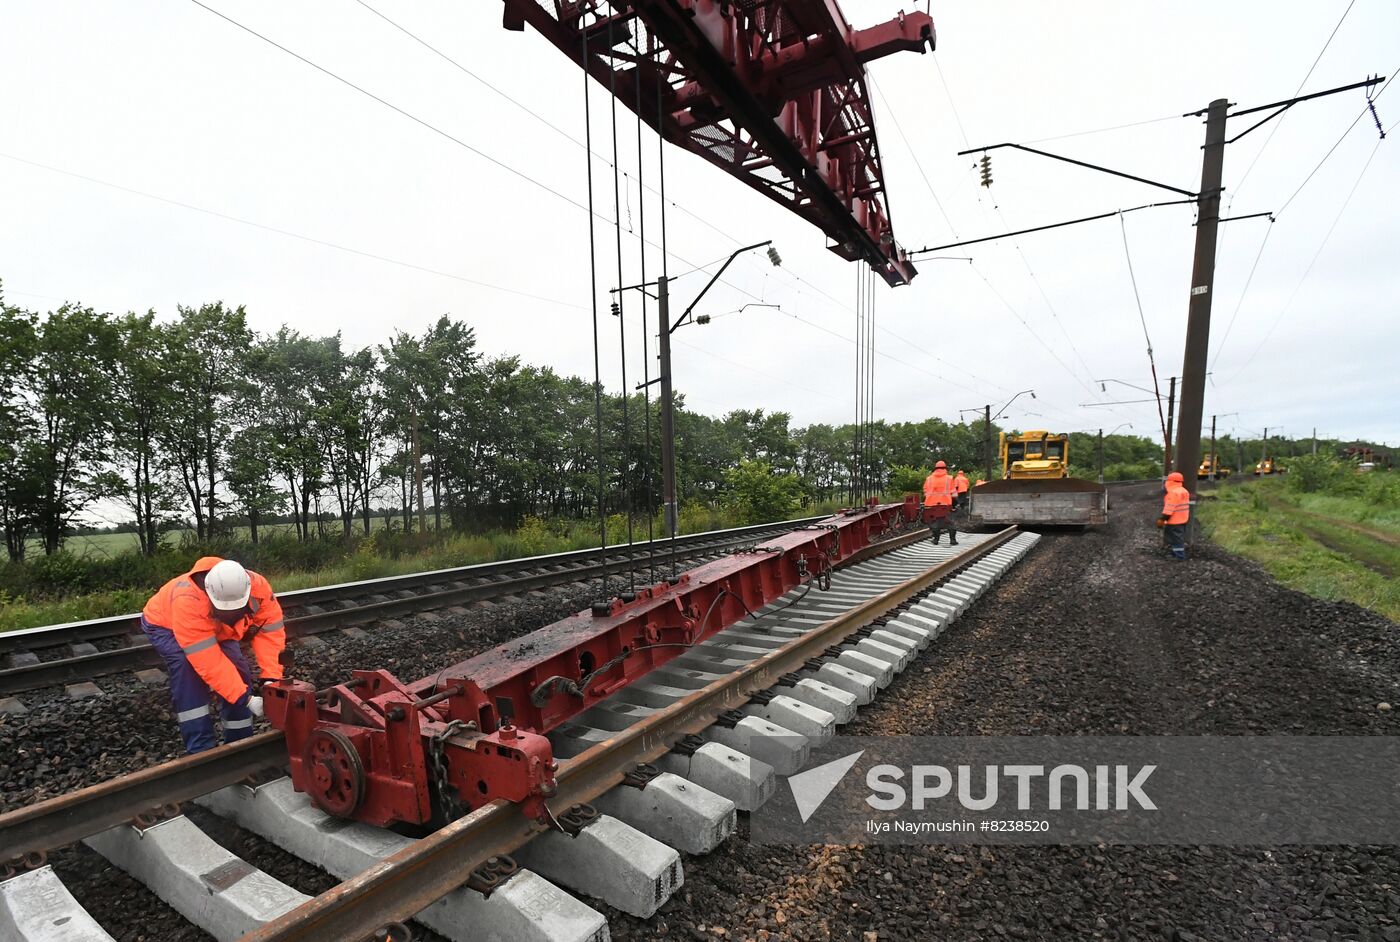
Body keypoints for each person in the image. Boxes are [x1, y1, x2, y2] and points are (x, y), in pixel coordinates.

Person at [141, 556, 287, 753]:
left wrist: (271, 679)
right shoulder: (188, 600)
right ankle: (200, 748)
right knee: (188, 670)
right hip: (165, 625)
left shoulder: (259, 588)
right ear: (210, 595)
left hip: (218, 628)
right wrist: (247, 699)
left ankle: (240, 742)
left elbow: (269, 633)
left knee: (237, 668)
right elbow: (209, 661)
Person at [1157, 471, 1191, 561]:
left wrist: (1162, 520)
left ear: (1170, 481)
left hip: (1174, 521)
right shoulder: (1184, 491)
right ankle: (1175, 553)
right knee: (1178, 538)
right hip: (1183, 519)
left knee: (1176, 539)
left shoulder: (1173, 493)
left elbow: (1169, 509)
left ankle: (1179, 556)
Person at [922, 460, 958, 546]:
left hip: (931, 505)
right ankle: (952, 540)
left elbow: (925, 492)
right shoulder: (949, 478)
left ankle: (935, 540)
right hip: (945, 504)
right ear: (945, 468)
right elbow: (954, 494)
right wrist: (955, 504)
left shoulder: (929, 479)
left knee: (934, 522)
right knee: (950, 522)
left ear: (935, 468)